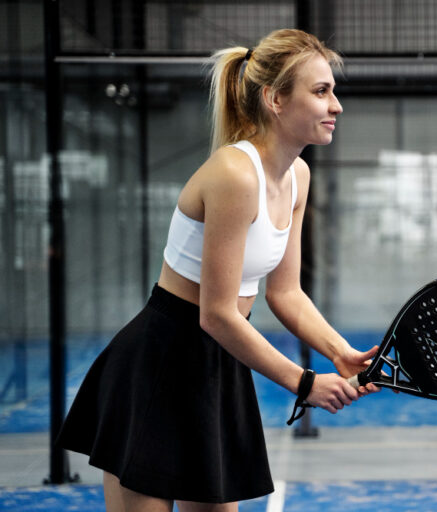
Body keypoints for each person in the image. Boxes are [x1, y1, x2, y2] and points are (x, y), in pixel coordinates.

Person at [57, 29, 379, 512]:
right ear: (275, 99)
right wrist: (305, 382)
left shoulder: (298, 176)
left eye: (333, 91)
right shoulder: (233, 173)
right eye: (320, 91)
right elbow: (216, 315)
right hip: (159, 365)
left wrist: (341, 352)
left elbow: (285, 293)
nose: (336, 105)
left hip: (220, 364)